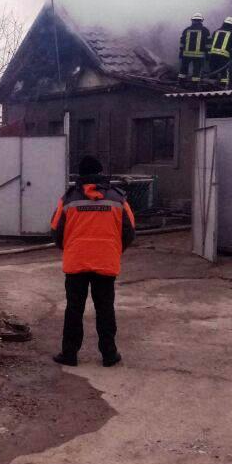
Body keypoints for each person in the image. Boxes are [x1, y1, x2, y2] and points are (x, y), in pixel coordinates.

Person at [50, 155, 135, 367]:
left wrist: (69, 248)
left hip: (76, 262)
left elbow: (55, 230)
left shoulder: (68, 199)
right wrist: (114, 250)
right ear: (100, 172)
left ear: (80, 175)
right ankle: (109, 354)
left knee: (74, 309)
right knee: (105, 308)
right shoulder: (118, 198)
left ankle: (69, 354)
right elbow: (129, 231)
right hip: (106, 262)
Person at [205, 16, 232, 87]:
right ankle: (224, 87)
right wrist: (231, 56)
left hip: (213, 55)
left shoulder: (216, 31)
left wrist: (208, 55)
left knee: (213, 70)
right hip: (224, 56)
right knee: (224, 72)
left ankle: (211, 87)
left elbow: (209, 43)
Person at [178, 13, 210, 83]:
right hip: (198, 55)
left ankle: (181, 82)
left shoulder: (186, 30)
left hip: (186, 54)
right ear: (201, 21)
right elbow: (208, 44)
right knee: (196, 70)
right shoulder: (205, 30)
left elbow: (182, 42)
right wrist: (208, 54)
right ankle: (194, 85)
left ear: (192, 20)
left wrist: (181, 52)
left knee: (183, 69)